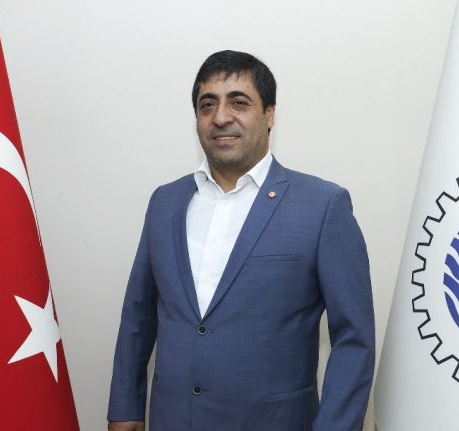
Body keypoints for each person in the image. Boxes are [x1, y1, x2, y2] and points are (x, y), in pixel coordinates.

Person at [107, 50, 375, 431]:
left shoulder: (322, 206)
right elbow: (139, 313)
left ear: (270, 114)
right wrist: (125, 406)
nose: (221, 117)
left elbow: (354, 339)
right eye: (207, 104)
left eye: (239, 102)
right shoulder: (165, 202)